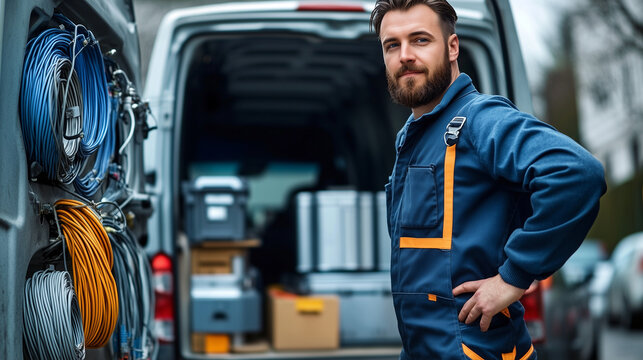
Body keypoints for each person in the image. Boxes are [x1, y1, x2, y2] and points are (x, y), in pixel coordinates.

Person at [370, 1, 606, 359]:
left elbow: (576, 173)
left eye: (420, 40)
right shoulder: (412, 138)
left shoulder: (480, 119)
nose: (404, 55)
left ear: (452, 47)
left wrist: (514, 276)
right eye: (392, 45)